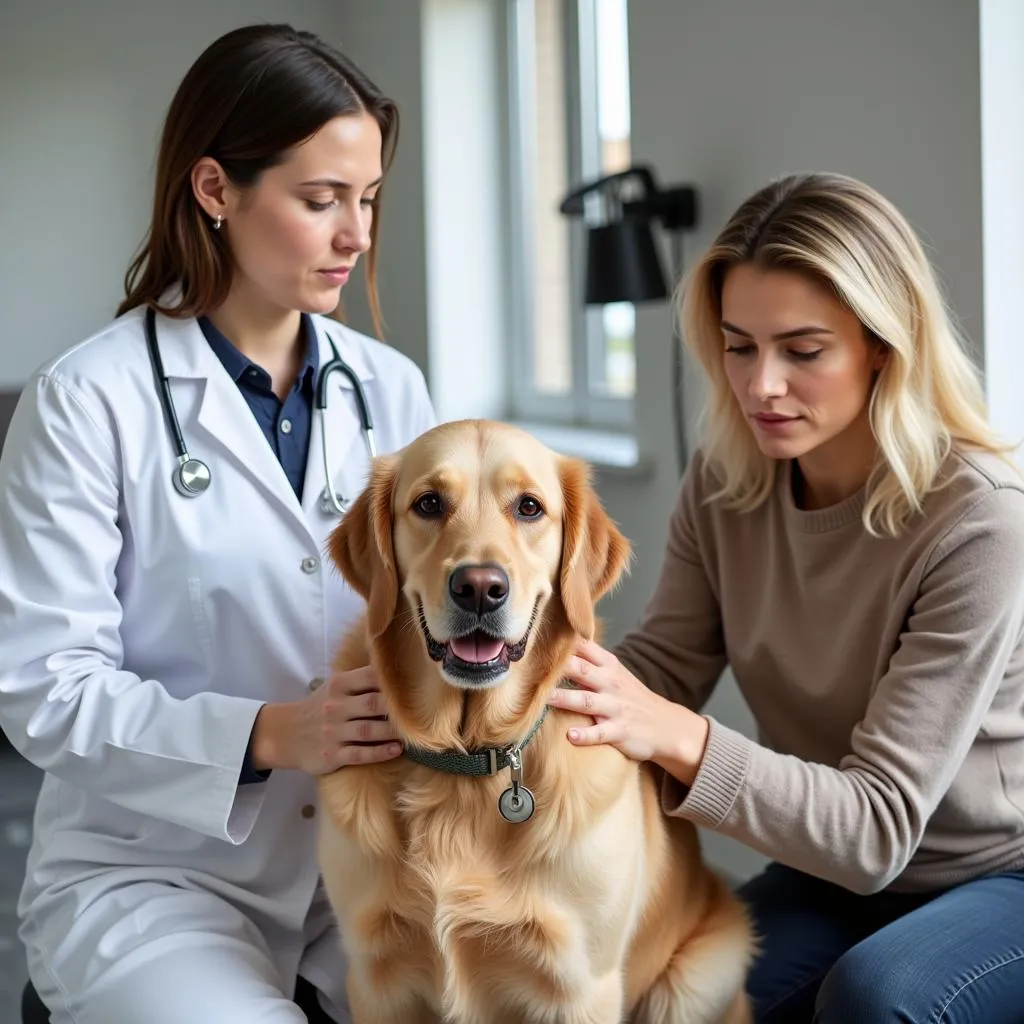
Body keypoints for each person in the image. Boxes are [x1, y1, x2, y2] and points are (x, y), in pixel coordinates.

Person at [0, 24, 436, 1024]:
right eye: (321, 200)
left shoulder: (389, 392)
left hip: (360, 870)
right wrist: (272, 733)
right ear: (215, 189)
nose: (357, 235)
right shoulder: (86, 400)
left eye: (366, 200)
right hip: (152, 881)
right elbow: (44, 691)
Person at [546, 172, 1024, 1022]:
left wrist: (682, 739)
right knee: (658, 990)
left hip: (996, 876)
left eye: (803, 351)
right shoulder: (727, 482)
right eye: (739, 346)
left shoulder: (980, 523)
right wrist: (525, 698)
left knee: (879, 996)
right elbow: (662, 666)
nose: (762, 385)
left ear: (884, 345)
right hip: (828, 871)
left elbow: (875, 829)